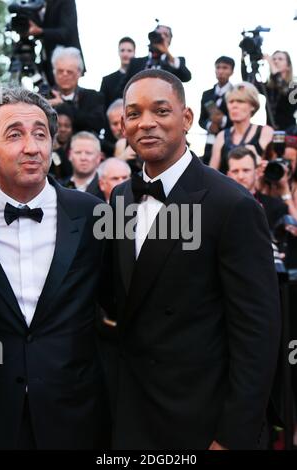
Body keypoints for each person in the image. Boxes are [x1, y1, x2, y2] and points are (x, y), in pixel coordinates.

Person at [104, 69, 281, 449]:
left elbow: (258, 334)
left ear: (186, 119)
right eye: (134, 113)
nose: (146, 123)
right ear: (122, 125)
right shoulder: (119, 198)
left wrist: (233, 435)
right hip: (133, 415)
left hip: (202, 422)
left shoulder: (232, 205)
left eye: (161, 111)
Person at [0, 87, 110, 449]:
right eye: (14, 134)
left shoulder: (93, 214)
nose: (31, 147)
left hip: (76, 417)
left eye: (41, 134)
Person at [210, 82, 274, 174]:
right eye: (231, 102)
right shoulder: (221, 136)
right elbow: (212, 173)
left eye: (240, 101)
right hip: (227, 187)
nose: (234, 106)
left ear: (253, 106)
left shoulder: (265, 132)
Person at [226, 146, 288, 230]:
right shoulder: (218, 206)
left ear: (257, 173)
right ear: (228, 175)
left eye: (246, 170)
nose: (240, 176)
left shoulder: (277, 208)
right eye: (235, 171)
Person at [27, 0, 85, 86]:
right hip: (46, 62)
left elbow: (67, 33)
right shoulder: (32, 3)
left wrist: (41, 31)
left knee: (66, 94)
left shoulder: (64, 2)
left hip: (66, 58)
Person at [49, 47, 105, 135]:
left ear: (79, 73)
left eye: (69, 72)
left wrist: (63, 105)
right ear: (54, 72)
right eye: (60, 71)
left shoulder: (93, 97)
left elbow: (97, 125)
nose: (65, 75)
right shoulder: (44, 97)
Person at [241, 50, 297, 130]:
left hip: (289, 131)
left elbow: (285, 90)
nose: (276, 61)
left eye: (280, 59)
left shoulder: (294, 85)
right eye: (274, 59)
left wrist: (271, 63)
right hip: (270, 131)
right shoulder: (268, 87)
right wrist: (244, 61)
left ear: (288, 66)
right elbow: (248, 82)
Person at [122, 25, 191, 86]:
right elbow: (123, 87)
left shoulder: (175, 62)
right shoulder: (135, 63)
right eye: (158, 34)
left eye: (165, 35)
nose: (161, 37)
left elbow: (186, 77)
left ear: (169, 41)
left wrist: (167, 53)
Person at [199, 56, 235, 164]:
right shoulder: (207, 94)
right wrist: (209, 125)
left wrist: (222, 120)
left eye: (225, 68)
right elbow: (201, 120)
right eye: (218, 67)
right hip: (210, 142)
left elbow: (240, 119)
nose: (220, 71)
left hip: (230, 142)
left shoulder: (236, 92)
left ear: (232, 71)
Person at [100, 37, 136, 112]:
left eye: (129, 51)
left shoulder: (140, 78)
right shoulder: (107, 81)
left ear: (134, 53)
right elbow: (103, 108)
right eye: (122, 50)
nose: (125, 54)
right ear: (118, 52)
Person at [63, 131, 103, 198]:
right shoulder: (58, 187)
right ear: (70, 155)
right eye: (78, 152)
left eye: (88, 153)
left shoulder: (107, 188)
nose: (83, 158)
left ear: (98, 157)